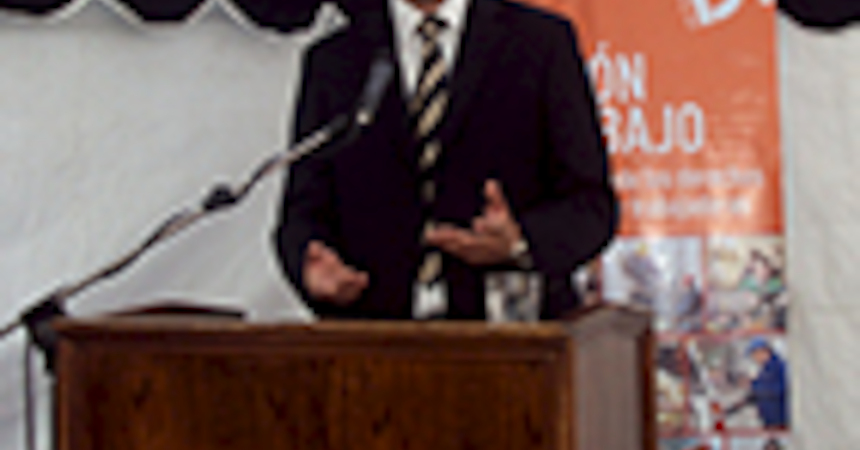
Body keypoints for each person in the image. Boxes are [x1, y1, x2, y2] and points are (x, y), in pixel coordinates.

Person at [272, 0, 616, 319]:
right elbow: (302, 213)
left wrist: (518, 243)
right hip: (376, 336)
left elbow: (591, 205)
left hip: (508, 334)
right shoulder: (336, 58)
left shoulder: (540, 43)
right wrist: (311, 265)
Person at [725, 338, 789, 429]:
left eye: (754, 355)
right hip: (771, 421)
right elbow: (757, 394)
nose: (754, 359)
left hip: (781, 420)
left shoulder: (778, 367)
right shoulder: (765, 370)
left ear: (762, 352)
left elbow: (780, 390)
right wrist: (732, 409)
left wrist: (754, 386)